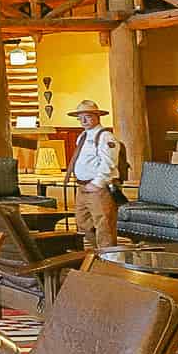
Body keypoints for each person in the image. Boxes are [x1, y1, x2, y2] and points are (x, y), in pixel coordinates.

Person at [67, 99, 121, 249]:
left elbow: (109, 162)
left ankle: (108, 260)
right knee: (82, 223)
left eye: (88, 116)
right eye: (80, 117)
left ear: (97, 116)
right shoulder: (82, 136)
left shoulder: (105, 136)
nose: (83, 120)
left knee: (104, 225)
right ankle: (98, 253)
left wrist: (97, 183)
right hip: (83, 187)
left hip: (98, 189)